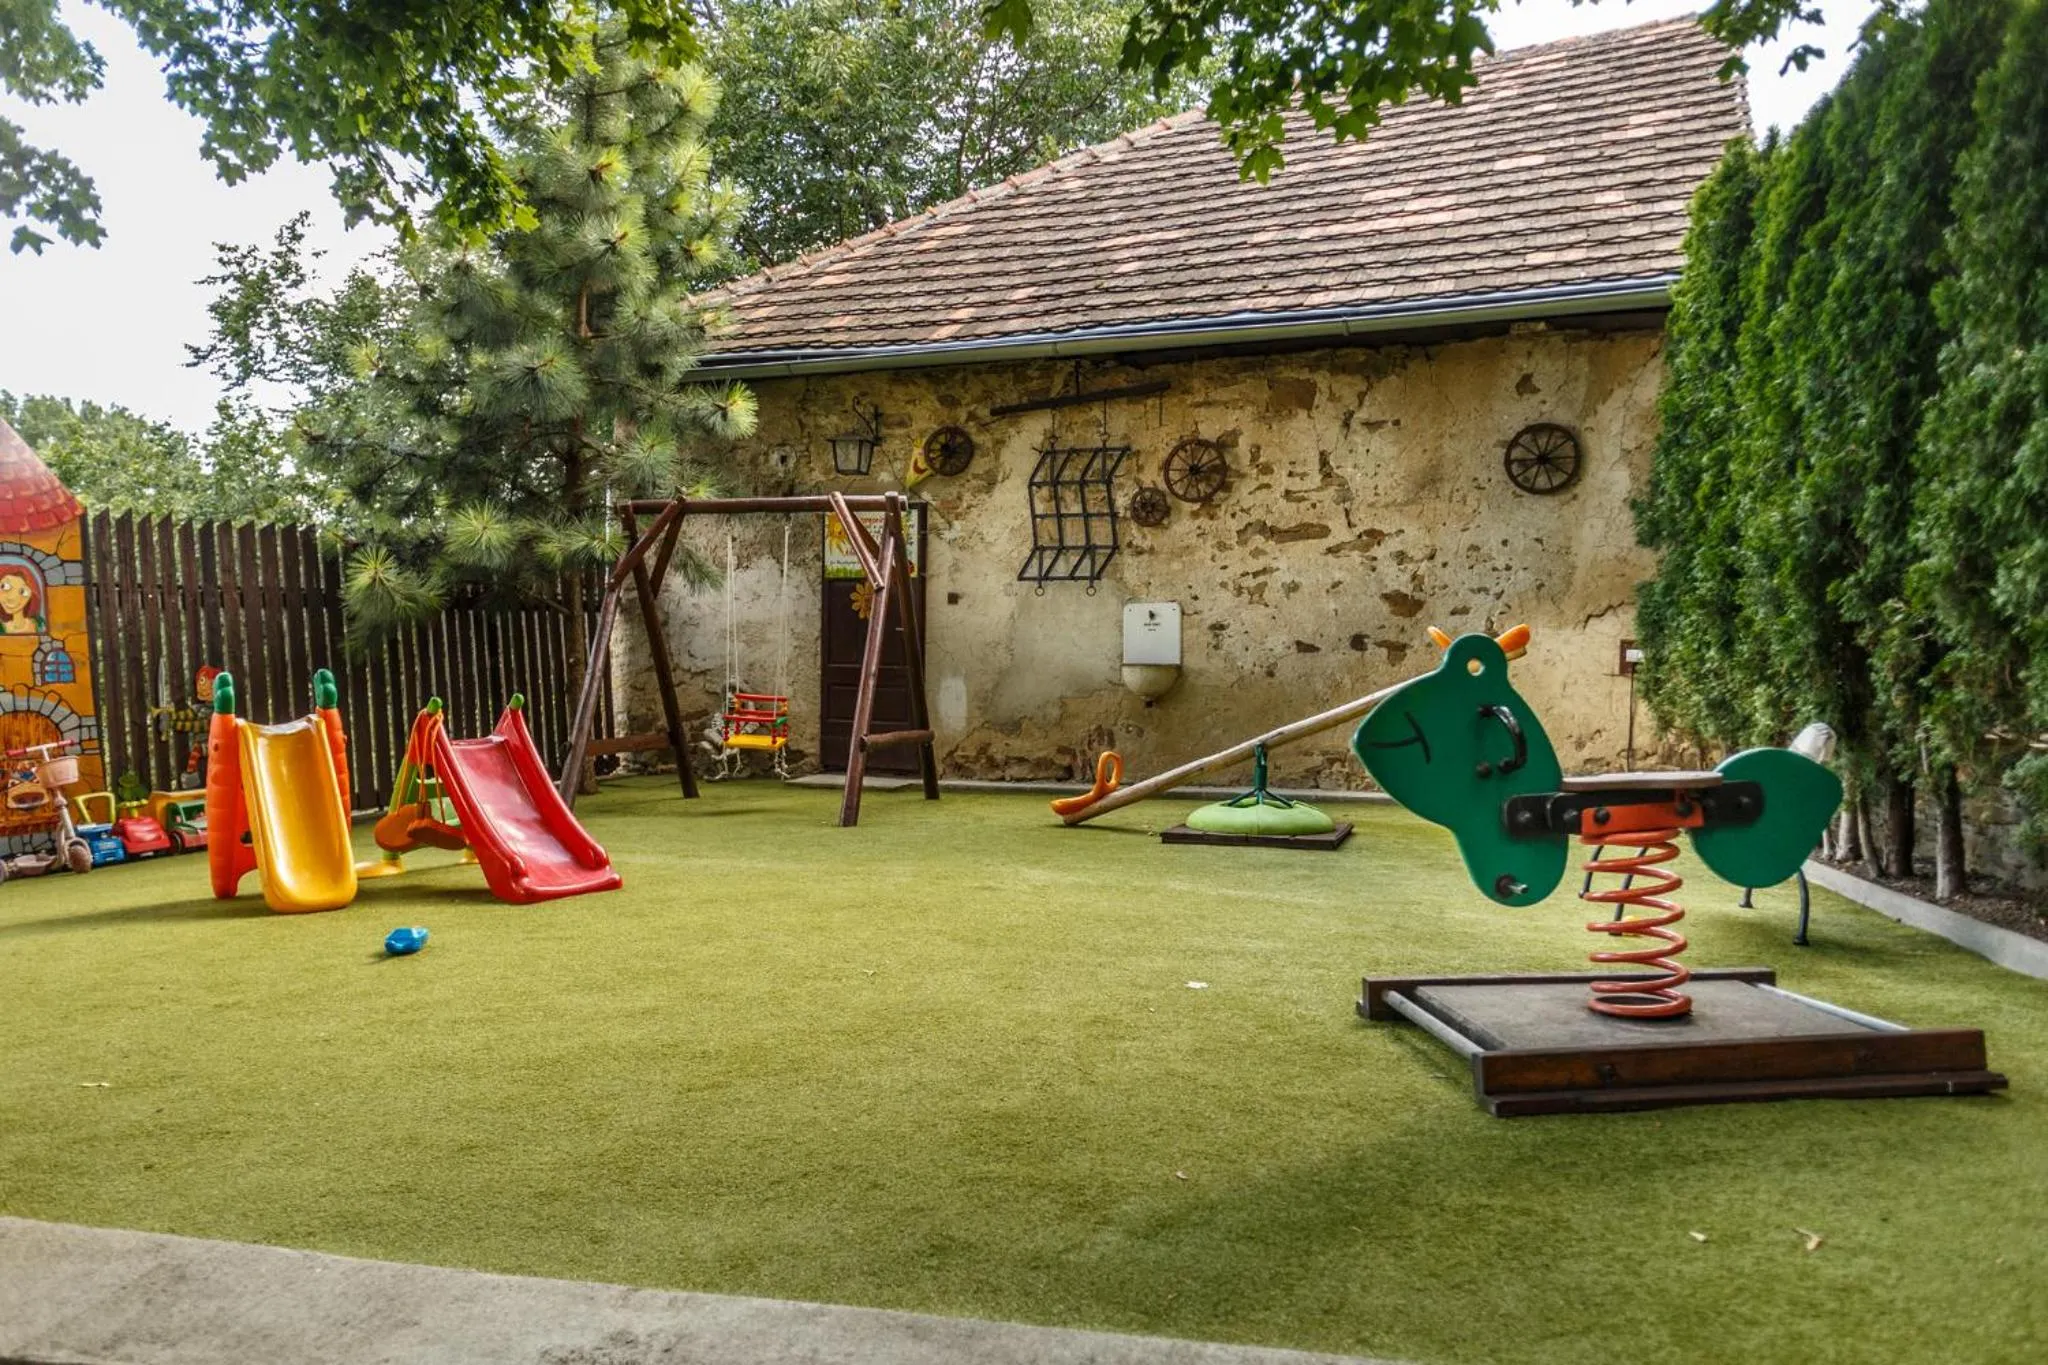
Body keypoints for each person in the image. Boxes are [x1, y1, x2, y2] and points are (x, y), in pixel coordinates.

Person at [0, 565, 44, 636]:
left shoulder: (39, 624)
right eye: (4, 586)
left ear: (31, 596)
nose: (12, 597)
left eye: (23, 592)